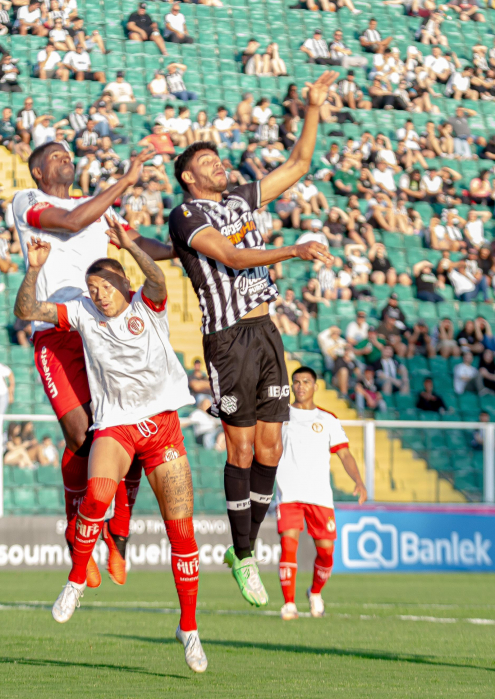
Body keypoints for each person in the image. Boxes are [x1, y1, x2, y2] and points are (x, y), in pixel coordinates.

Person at [168, 71, 336, 607]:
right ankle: (244, 555)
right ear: (189, 177)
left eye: (219, 158)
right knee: (240, 448)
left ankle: (242, 550)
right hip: (227, 338)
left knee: (272, 447)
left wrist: (312, 107)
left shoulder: (240, 199)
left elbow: (298, 165)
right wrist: (293, 250)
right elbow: (233, 257)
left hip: (266, 331)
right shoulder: (186, 214)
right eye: (207, 162)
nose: (219, 164)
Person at [14, 217, 206, 673]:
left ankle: (189, 629)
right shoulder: (82, 312)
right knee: (97, 495)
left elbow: (157, 278)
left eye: (103, 286)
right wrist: (34, 268)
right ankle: (75, 581)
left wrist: (130, 246)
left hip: (162, 428)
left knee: (182, 533)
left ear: (122, 283)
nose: (97, 294)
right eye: (91, 288)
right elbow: (27, 310)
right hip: (116, 426)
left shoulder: (147, 304)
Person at [7, 141, 172, 586]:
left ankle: (118, 534)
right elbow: (71, 221)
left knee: (127, 428)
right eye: (55, 156)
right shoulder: (27, 200)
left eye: (68, 154)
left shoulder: (99, 209)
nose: (66, 158)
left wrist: (190, 247)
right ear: (38, 170)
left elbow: (137, 243)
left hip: (103, 328)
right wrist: (126, 180)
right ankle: (76, 529)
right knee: (81, 437)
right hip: (56, 328)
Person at [276, 366, 366, 621]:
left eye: (306, 381)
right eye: (296, 382)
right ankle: (289, 604)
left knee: (326, 552)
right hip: (289, 493)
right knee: (288, 545)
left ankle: (315, 593)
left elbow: (344, 454)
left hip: (320, 496)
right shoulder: (280, 416)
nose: (301, 386)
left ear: (315, 386)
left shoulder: (328, 419)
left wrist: (359, 481)